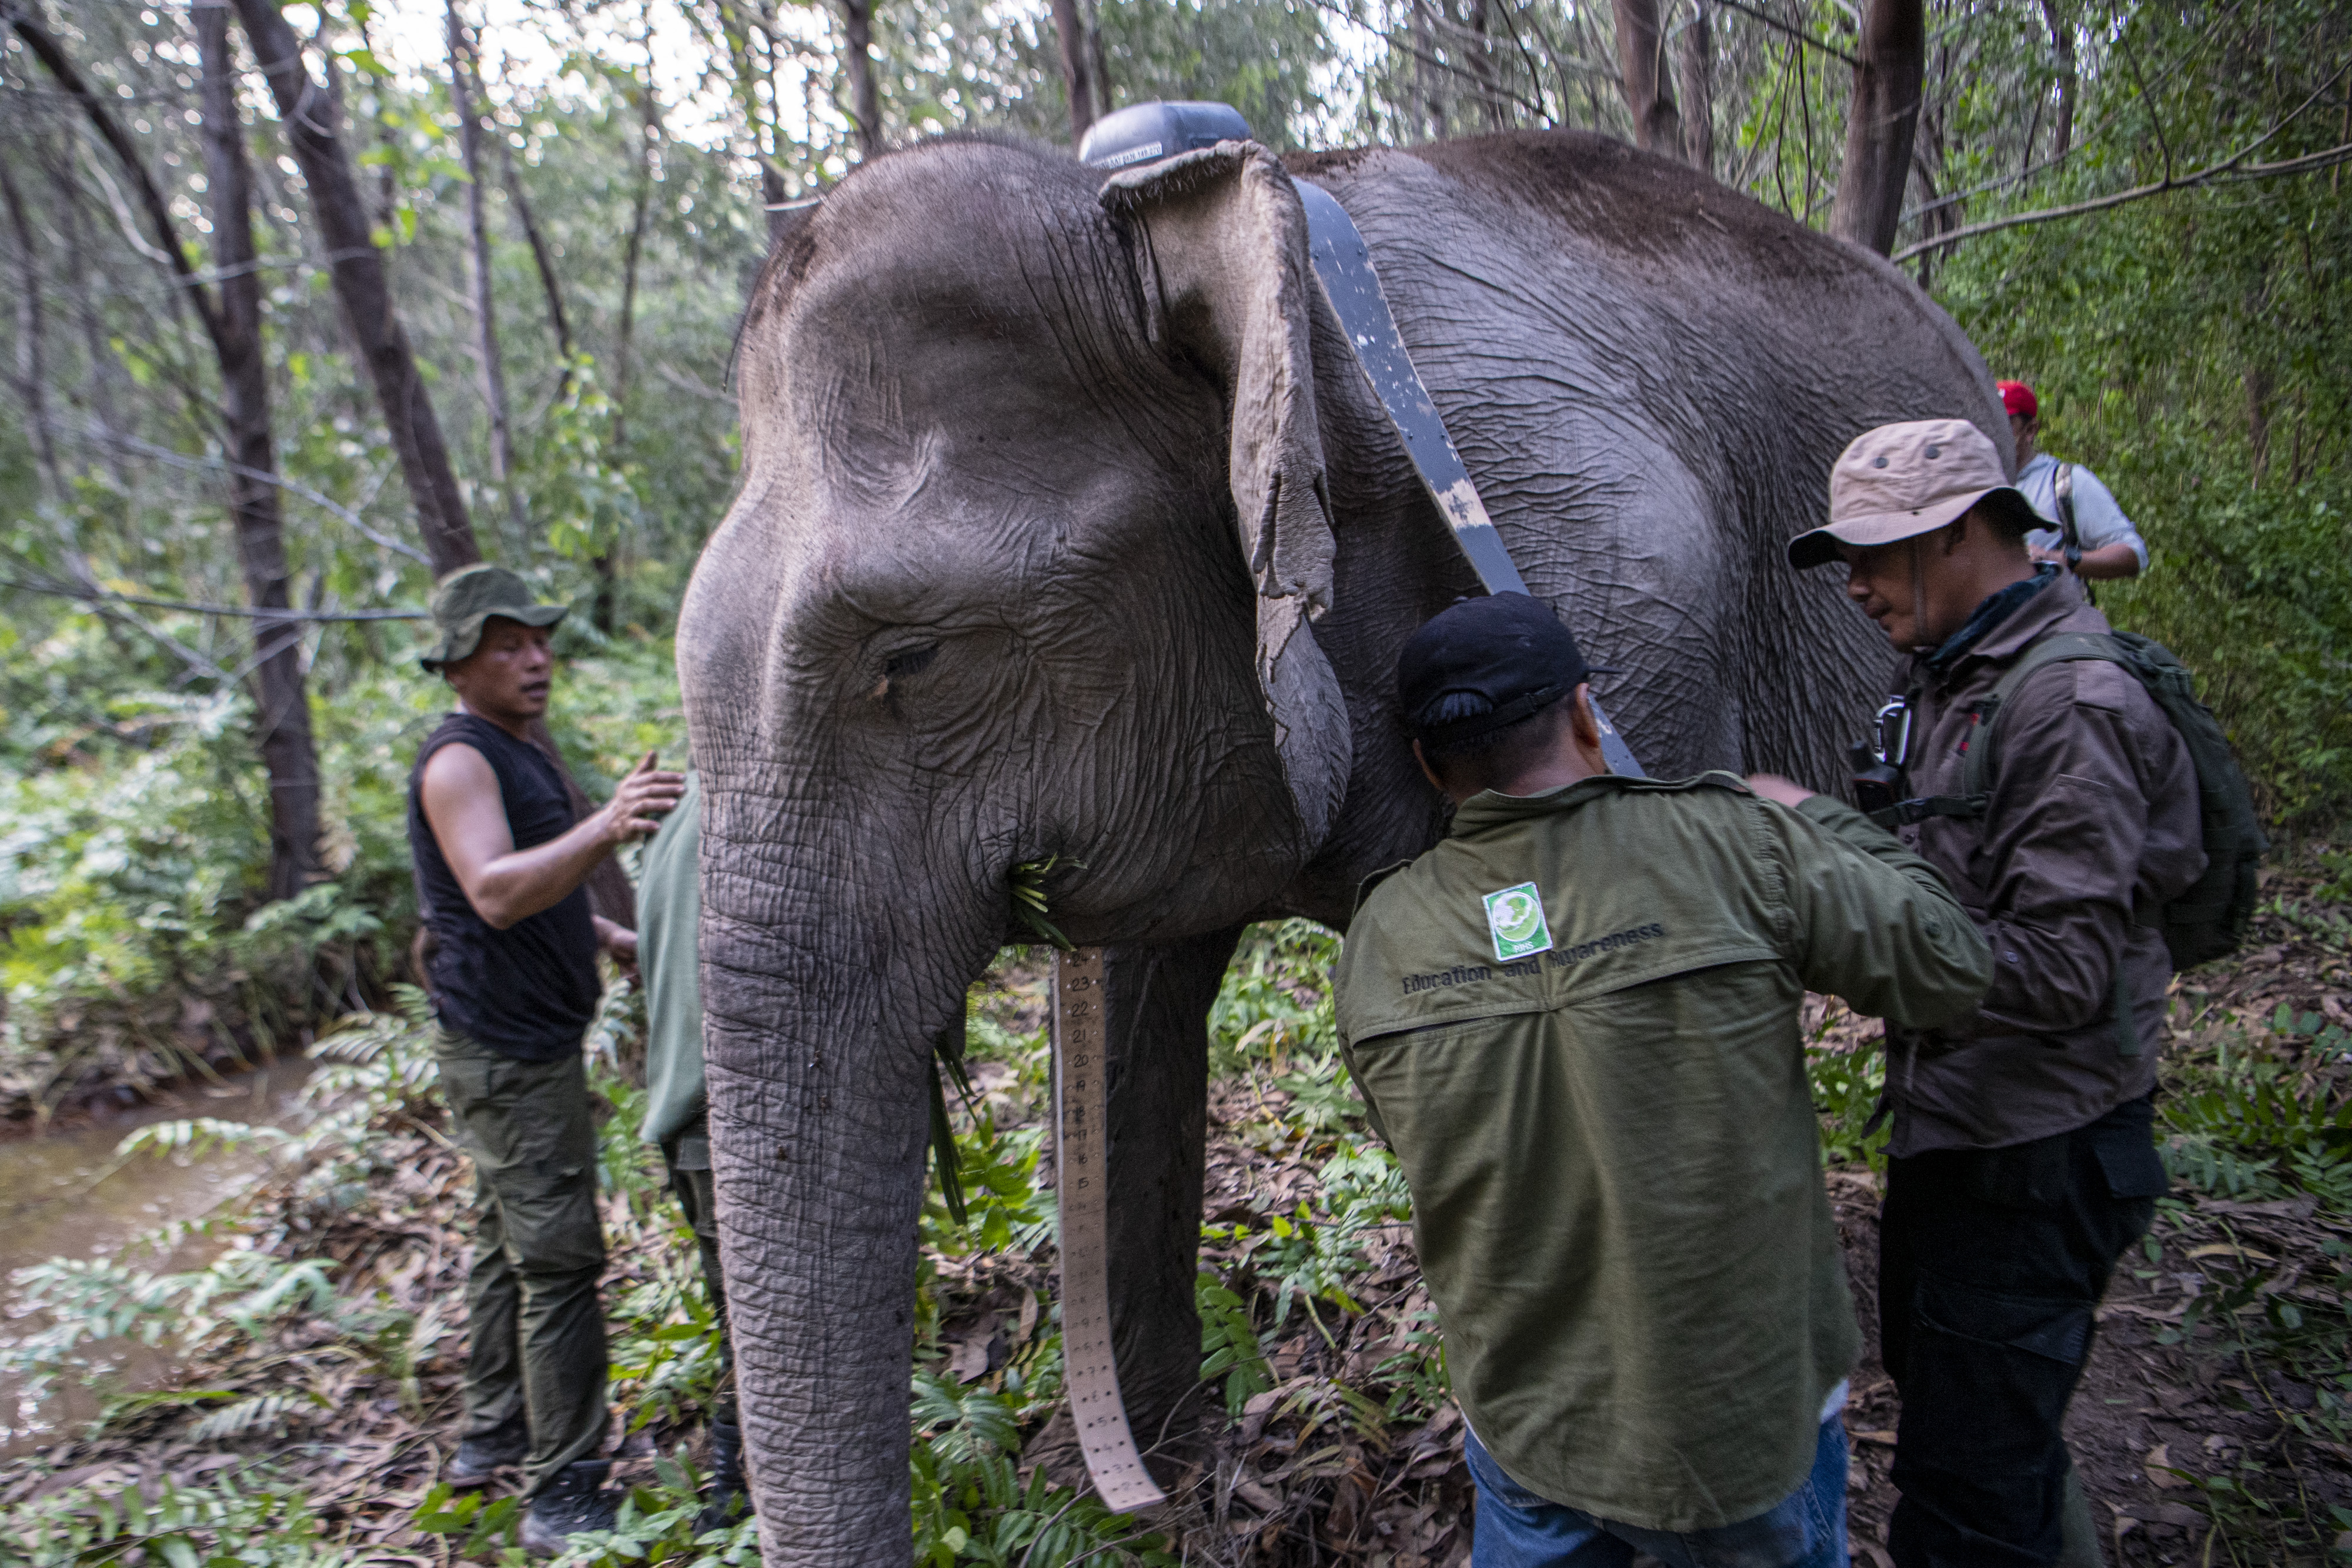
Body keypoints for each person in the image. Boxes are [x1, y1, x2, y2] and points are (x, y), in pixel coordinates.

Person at [1331, 592, 1993, 1568]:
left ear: (1431, 766)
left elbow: (1421, 1137)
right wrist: (1809, 814)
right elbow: (1947, 966)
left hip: (1529, 1430)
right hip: (1739, 1437)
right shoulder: (1733, 840)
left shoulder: (1379, 939)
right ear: (1587, 715)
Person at [1785, 419, 2204, 1567]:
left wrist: (1850, 934)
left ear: (1965, 531)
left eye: (1875, 553)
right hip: (1961, 1131)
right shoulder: (1949, 679)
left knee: (1965, 1502)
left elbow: (2062, 970)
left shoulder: (2066, 706)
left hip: (2035, 1155)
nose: (1858, 586)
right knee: (1983, 1445)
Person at [408, 564, 684, 1552]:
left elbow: (540, 886)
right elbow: (490, 890)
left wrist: (609, 939)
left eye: (538, 640)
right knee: (561, 1260)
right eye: (506, 645)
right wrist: (610, 822)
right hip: (508, 1053)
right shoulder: (459, 762)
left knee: (503, 1238)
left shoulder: (518, 751)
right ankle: (565, 1488)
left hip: (527, 1039)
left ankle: (490, 1436)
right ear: (458, 661)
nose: (534, 660)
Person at [633, 774, 749, 1531]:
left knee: (736, 1310)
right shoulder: (750, 809)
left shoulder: (677, 811)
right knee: (762, 1322)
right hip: (725, 1112)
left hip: (685, 1110)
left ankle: (735, 1498)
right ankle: (733, 1503)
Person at [1998, 380, 2146, 580]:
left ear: (2031, 430)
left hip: (2047, 609)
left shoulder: (2066, 483)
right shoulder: (1969, 483)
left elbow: (2134, 554)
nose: (1994, 432)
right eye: (1989, 421)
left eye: (2005, 423)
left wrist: (2057, 559)